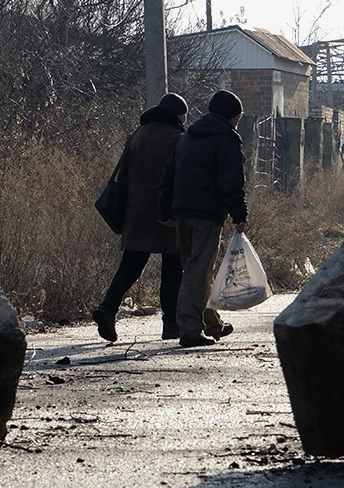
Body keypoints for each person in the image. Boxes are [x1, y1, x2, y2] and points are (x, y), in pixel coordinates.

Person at [92, 93, 189, 342]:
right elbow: (179, 178)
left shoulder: (136, 136)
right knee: (172, 267)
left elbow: (123, 176)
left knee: (130, 265)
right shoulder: (178, 139)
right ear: (178, 115)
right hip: (165, 211)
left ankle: (107, 308)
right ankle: (170, 323)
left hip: (136, 212)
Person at [159, 89, 248, 348]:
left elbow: (168, 173)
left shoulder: (187, 137)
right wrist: (239, 214)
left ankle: (212, 323)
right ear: (232, 115)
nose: (238, 122)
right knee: (198, 272)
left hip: (181, 213)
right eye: (238, 117)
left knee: (195, 270)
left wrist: (165, 210)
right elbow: (231, 180)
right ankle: (189, 329)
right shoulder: (226, 139)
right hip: (206, 215)